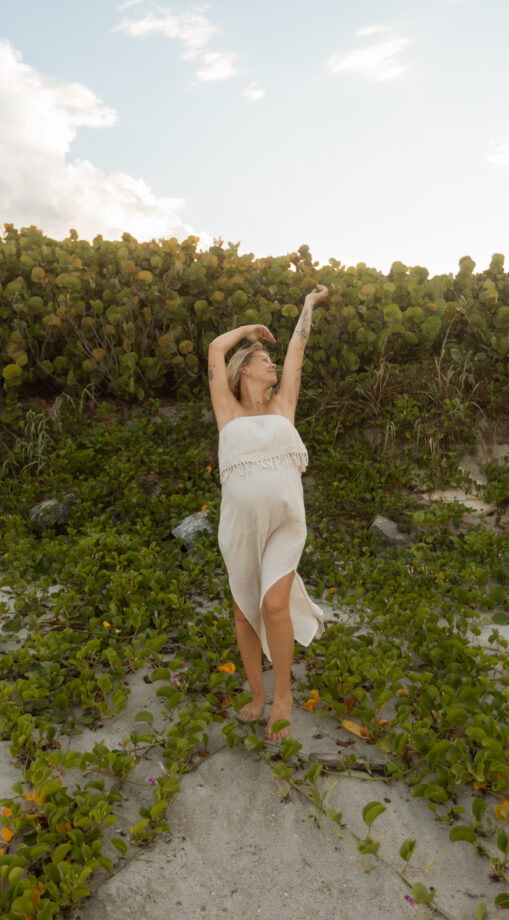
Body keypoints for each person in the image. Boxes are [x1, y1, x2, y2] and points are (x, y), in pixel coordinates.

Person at [208, 284, 328, 741]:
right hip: (238, 528)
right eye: (262, 361)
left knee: (273, 606)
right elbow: (216, 349)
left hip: (284, 524)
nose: (271, 365)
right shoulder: (227, 411)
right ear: (243, 371)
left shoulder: (283, 407)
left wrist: (308, 305)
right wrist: (245, 332)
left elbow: (297, 346)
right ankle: (256, 695)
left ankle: (283, 697)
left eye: (269, 361)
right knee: (243, 614)